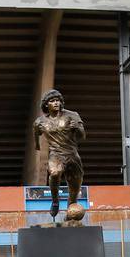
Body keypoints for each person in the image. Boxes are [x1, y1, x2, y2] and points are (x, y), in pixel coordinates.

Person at [30, 88, 86, 225]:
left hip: (72, 155)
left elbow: (82, 137)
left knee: (74, 190)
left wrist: (78, 129)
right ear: (46, 105)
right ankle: (55, 201)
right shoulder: (40, 122)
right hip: (56, 154)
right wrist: (37, 145)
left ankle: (70, 216)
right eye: (52, 101)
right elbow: (35, 134)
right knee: (54, 173)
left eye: (58, 100)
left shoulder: (72, 115)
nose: (56, 103)